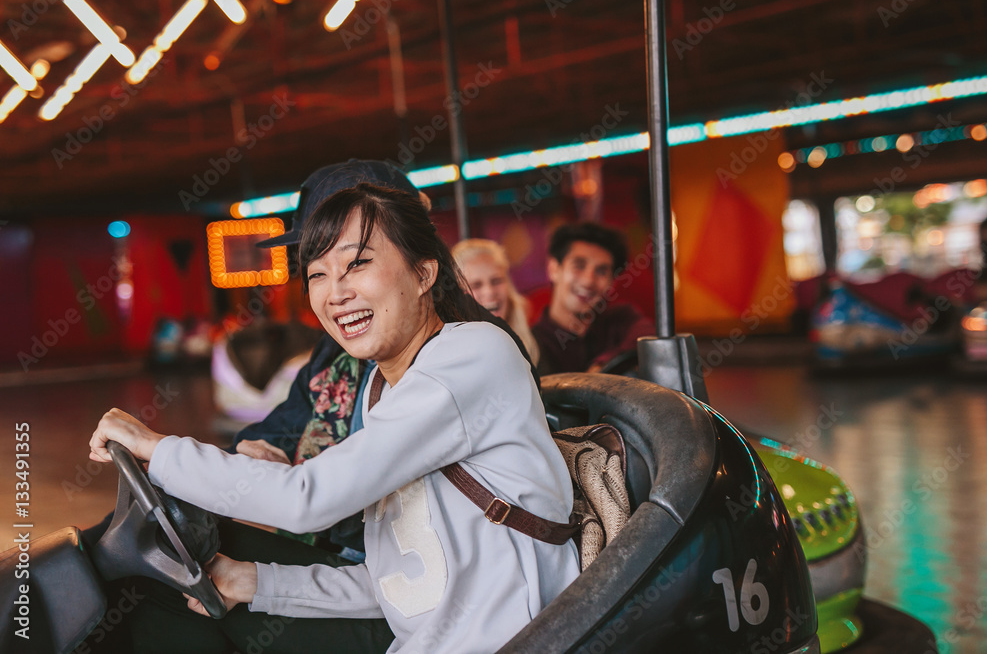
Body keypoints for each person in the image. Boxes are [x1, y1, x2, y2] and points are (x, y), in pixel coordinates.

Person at [89, 183, 580, 653]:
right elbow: (401, 584)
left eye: (358, 263)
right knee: (168, 577)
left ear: (424, 273)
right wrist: (259, 582)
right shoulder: (381, 387)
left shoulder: (473, 353)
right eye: (318, 274)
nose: (334, 292)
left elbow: (309, 499)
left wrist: (157, 447)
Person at [532, 222, 655, 375]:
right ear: (554, 269)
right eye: (579, 266)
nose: (588, 281)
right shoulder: (532, 343)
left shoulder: (622, 320)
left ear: (612, 283)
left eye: (601, 271)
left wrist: (603, 364)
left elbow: (649, 338)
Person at [452, 238, 540, 364]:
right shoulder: (453, 355)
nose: (490, 292)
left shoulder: (534, 341)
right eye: (476, 285)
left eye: (496, 281)